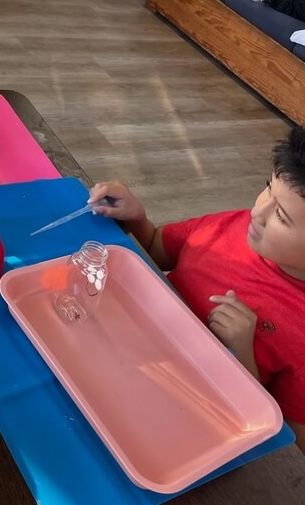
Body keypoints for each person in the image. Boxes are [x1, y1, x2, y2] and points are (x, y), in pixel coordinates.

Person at [88, 126, 305, 451]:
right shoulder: (231, 225)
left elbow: (289, 446)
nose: (257, 211)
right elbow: (156, 247)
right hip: (118, 344)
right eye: (267, 189)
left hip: (176, 418)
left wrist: (242, 353)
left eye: (282, 217)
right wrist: (136, 217)